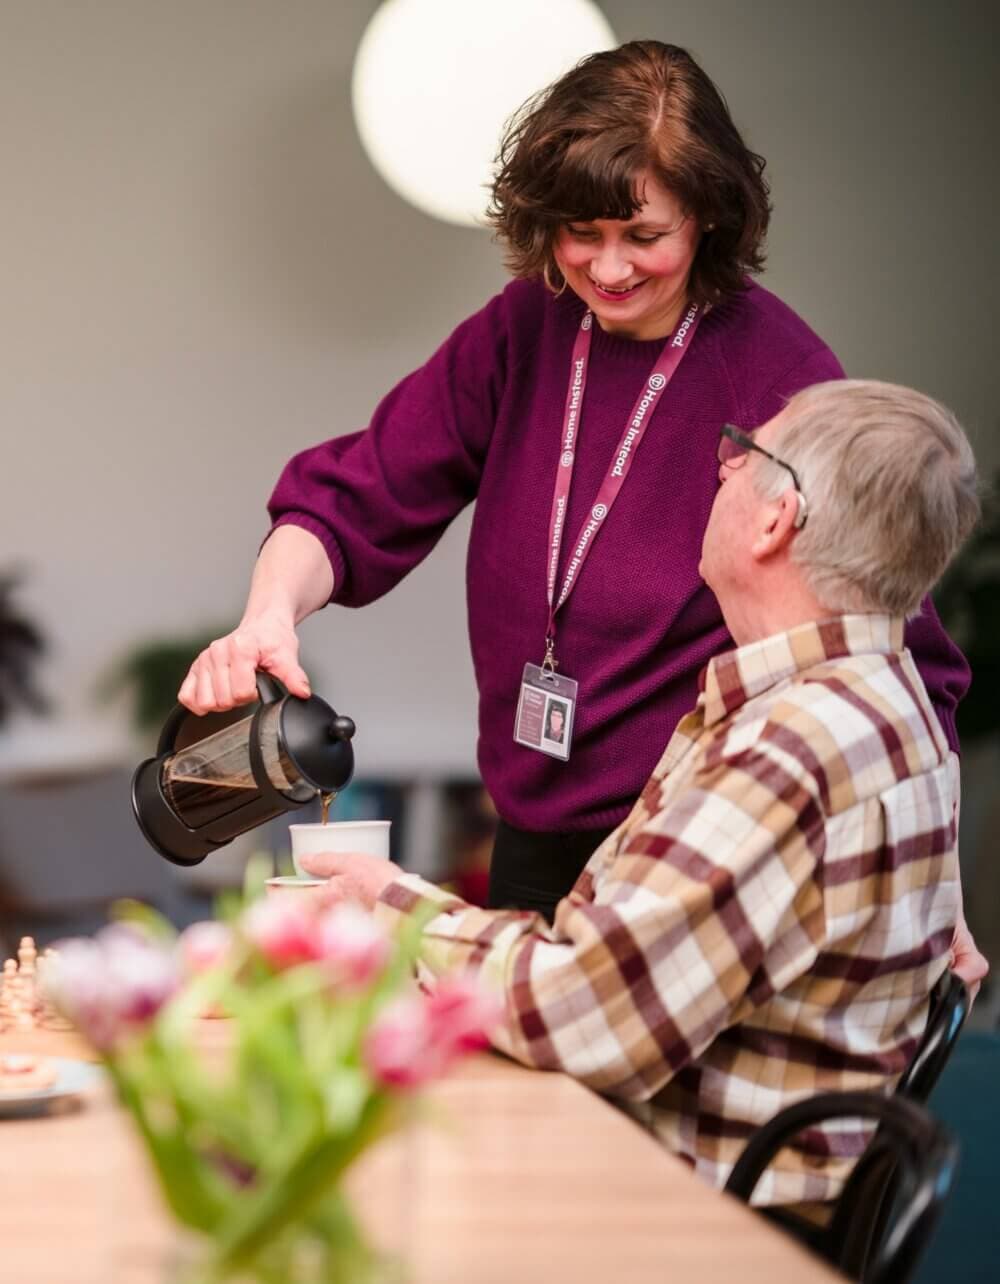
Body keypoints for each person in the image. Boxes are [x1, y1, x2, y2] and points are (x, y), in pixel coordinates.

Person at [178, 41, 970, 925]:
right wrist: (267, 617)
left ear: (707, 217)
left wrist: (935, 896)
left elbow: (904, 658)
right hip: (526, 830)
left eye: (644, 236)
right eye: (581, 233)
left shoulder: (778, 377)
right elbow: (354, 495)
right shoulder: (529, 327)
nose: (609, 268)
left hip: (689, 854)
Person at [299, 379, 981, 1205]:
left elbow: (587, 1014)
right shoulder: (889, 697)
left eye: (744, 453)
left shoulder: (793, 746)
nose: (722, 470)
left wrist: (392, 908)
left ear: (776, 519)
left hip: (680, 1218)